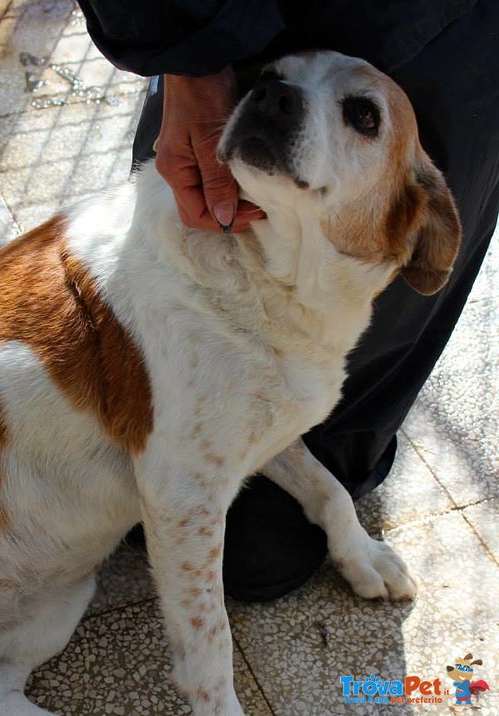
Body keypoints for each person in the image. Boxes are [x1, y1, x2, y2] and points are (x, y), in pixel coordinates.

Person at [75, 0, 499, 600]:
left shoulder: (410, 202)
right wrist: (188, 62)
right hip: (246, 16)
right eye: (276, 88)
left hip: (463, 36)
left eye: (357, 115)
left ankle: (336, 475)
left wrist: (335, 514)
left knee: (257, 551)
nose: (283, 102)